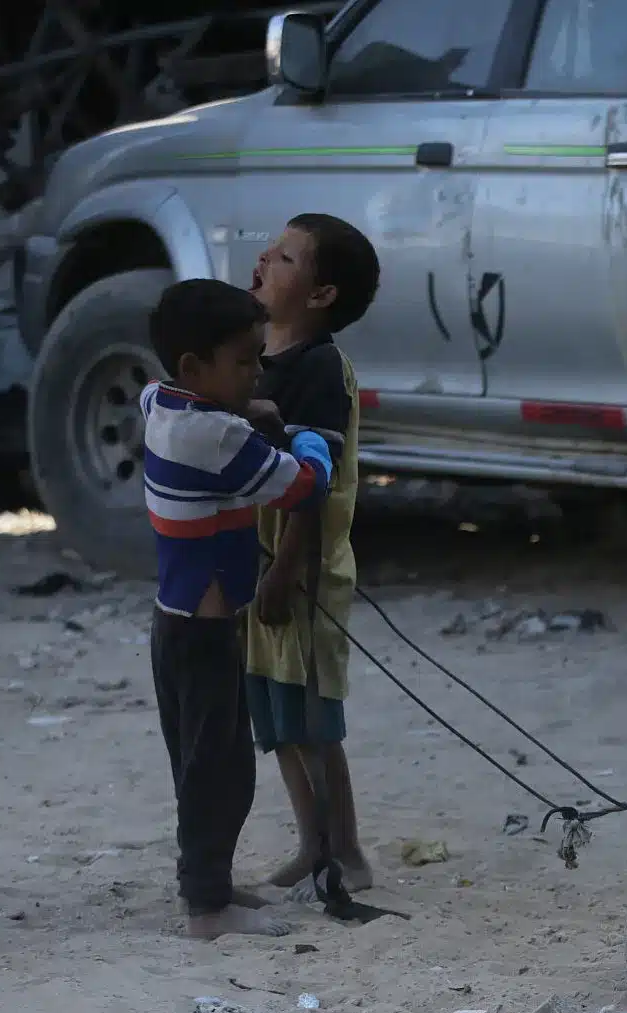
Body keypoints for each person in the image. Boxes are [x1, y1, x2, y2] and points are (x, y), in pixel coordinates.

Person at [142, 279, 332, 940]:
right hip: (205, 630)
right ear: (196, 368)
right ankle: (206, 909)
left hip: (174, 623)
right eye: (245, 361)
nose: (257, 372)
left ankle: (212, 882)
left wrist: (248, 409)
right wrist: (309, 440)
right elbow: (301, 484)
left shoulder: (160, 402)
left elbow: (213, 420)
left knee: (205, 764)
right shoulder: (218, 437)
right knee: (219, 773)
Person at [242, 214, 381, 894]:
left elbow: (313, 481)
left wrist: (287, 568)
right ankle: (311, 844)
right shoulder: (253, 360)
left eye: (287, 256)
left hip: (300, 572)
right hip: (259, 566)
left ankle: (348, 852)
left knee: (313, 719)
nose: (265, 257)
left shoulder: (321, 368)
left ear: (322, 294)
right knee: (278, 719)